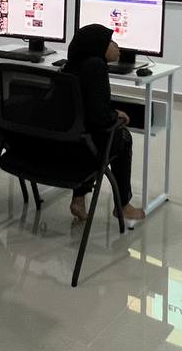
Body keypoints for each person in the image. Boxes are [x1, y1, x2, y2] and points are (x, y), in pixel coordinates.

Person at [62, 24, 145, 225]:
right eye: (110, 41)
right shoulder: (96, 66)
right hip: (83, 149)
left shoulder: (70, 66)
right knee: (122, 137)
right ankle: (123, 205)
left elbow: (86, 107)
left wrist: (111, 112)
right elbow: (99, 117)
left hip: (65, 145)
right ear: (97, 46)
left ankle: (79, 199)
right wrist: (116, 117)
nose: (116, 46)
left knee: (90, 133)